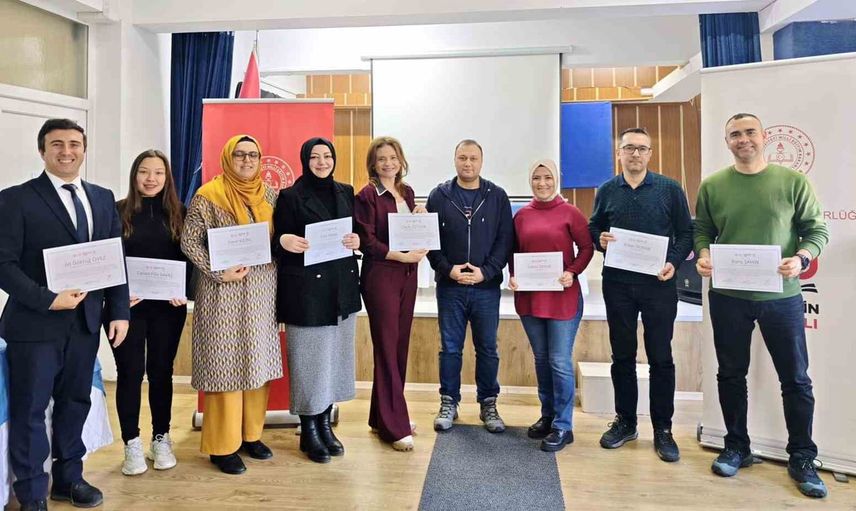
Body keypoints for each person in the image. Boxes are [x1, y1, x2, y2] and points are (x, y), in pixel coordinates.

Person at [694, 113, 829, 498]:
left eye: (750, 132)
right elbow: (702, 229)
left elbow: (817, 230)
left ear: (764, 136)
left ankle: (802, 456)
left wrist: (801, 258)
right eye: (735, 134)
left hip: (781, 297)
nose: (743, 139)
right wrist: (703, 254)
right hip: (728, 297)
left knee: (796, 378)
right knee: (730, 374)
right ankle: (737, 446)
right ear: (727, 142)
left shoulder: (793, 182)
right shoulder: (714, 185)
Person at [0, 118, 129, 510]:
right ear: (42, 150)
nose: (66, 151)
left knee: (75, 402)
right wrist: (47, 299)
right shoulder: (16, 199)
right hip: (34, 325)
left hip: (85, 324)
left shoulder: (102, 198)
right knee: (30, 409)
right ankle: (32, 493)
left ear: (84, 150)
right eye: (57, 144)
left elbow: (114, 258)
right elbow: (4, 265)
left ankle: (69, 479)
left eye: (74, 144)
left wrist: (119, 311)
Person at [588, 127, 693, 462]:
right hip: (617, 284)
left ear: (650, 154)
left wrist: (673, 262)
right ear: (619, 152)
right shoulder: (607, 190)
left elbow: (686, 233)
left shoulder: (669, 189)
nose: (635, 154)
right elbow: (594, 227)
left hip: (658, 285)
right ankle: (626, 421)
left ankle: (663, 429)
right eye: (629, 148)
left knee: (661, 357)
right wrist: (599, 240)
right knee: (622, 355)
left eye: (642, 148)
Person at [181, 134, 281, 475]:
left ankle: (251, 435)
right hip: (221, 292)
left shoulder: (270, 195)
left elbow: (277, 240)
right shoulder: (208, 195)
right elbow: (189, 241)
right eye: (239, 154)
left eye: (253, 155)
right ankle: (223, 446)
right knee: (224, 365)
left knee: (257, 362)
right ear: (227, 157)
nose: (247, 160)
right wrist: (217, 270)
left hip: (261, 293)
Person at [273, 137, 361, 463]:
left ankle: (325, 424)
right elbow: (277, 240)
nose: (322, 162)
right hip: (306, 293)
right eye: (315, 157)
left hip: (341, 289)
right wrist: (285, 240)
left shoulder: (346, 191)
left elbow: (357, 231)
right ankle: (309, 429)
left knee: (334, 361)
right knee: (309, 363)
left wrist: (357, 239)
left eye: (327, 156)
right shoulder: (290, 196)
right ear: (304, 160)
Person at [426, 139, 513, 433]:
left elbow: (505, 241)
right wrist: (448, 270)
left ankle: (488, 403)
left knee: (487, 348)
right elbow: (430, 241)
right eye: (462, 157)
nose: (468, 163)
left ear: (481, 161)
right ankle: (448, 402)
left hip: (486, 289)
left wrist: (485, 272)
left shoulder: (497, 196)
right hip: (449, 287)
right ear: (455, 160)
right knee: (450, 349)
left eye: (473, 158)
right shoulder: (439, 196)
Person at [509, 159, 593, 452]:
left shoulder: (571, 212)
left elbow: (587, 248)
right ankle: (548, 416)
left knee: (559, 361)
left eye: (547, 177)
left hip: (562, 297)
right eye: (536, 177)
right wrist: (513, 275)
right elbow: (513, 252)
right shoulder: (521, 216)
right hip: (531, 297)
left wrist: (572, 272)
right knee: (542, 360)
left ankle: (563, 425)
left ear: (556, 179)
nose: (542, 183)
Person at [113, 149, 187, 475]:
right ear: (134, 175)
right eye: (144, 171)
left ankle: (161, 438)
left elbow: (190, 258)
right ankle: (131, 442)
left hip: (168, 309)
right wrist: (119, 294)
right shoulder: (116, 211)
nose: (151, 178)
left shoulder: (181, 213)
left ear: (167, 177)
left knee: (161, 372)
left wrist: (184, 290)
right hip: (126, 309)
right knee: (129, 373)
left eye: (158, 172)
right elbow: (107, 258)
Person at [354, 136, 427, 451]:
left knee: (398, 346)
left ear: (401, 161)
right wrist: (401, 257)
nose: (388, 163)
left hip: (407, 275)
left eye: (393, 158)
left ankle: (381, 416)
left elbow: (410, 232)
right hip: (382, 275)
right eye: (382, 158)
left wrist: (420, 219)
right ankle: (395, 426)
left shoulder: (406, 192)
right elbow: (367, 241)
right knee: (386, 347)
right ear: (373, 163)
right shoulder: (367, 195)